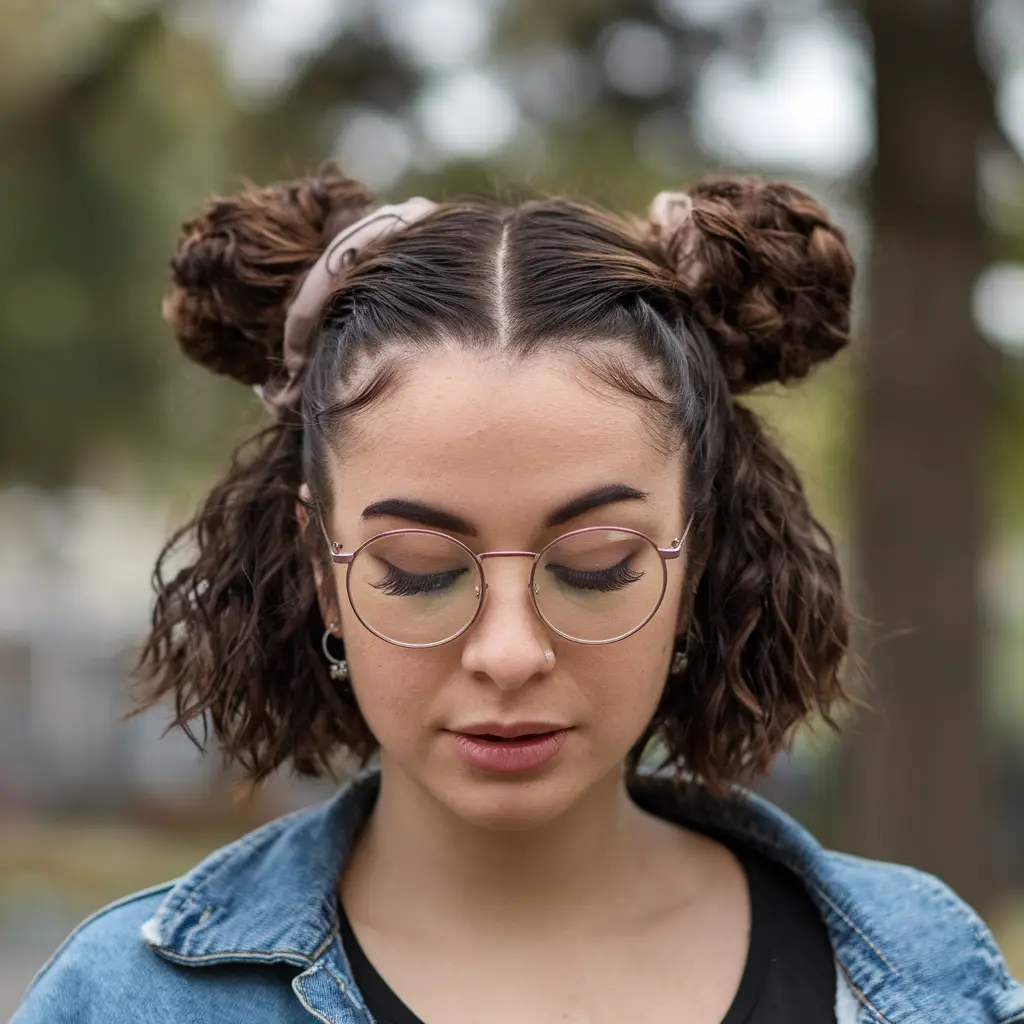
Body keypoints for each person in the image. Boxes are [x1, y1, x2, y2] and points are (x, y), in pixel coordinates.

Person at [12, 171, 1023, 1024]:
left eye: (593, 565)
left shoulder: (918, 977)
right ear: (323, 568)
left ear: (696, 558)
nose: (507, 651)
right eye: (417, 566)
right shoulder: (130, 998)